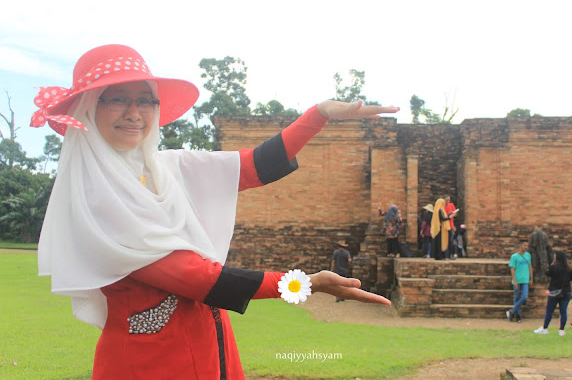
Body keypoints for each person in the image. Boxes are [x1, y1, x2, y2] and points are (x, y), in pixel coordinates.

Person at [31, 44, 396, 379]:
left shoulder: (164, 168)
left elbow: (254, 165)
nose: (135, 113)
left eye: (146, 101)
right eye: (118, 99)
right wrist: (306, 284)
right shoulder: (95, 196)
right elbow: (201, 279)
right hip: (148, 362)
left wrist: (319, 115)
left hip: (210, 343)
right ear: (89, 107)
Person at [533, 250, 572, 336]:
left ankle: (545, 328)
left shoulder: (553, 267)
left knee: (549, 311)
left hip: (554, 291)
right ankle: (561, 330)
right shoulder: (569, 268)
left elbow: (547, 273)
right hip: (566, 291)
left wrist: (552, 263)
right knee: (563, 312)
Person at [506, 240, 533, 322]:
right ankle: (518, 316)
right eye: (525, 245)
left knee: (524, 297)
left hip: (525, 279)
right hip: (517, 279)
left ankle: (511, 311)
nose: (526, 247)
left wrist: (531, 278)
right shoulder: (514, 256)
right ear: (520, 246)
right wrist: (514, 280)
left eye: (527, 246)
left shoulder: (528, 255)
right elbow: (512, 269)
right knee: (516, 298)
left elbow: (530, 267)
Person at [443, 195, 458, 259]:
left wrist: (453, 213)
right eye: (446, 200)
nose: (448, 201)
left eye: (449, 200)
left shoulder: (451, 205)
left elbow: (455, 214)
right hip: (444, 225)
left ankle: (450, 254)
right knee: (444, 241)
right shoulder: (442, 206)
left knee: (451, 241)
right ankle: (445, 255)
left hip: (451, 225)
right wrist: (448, 214)